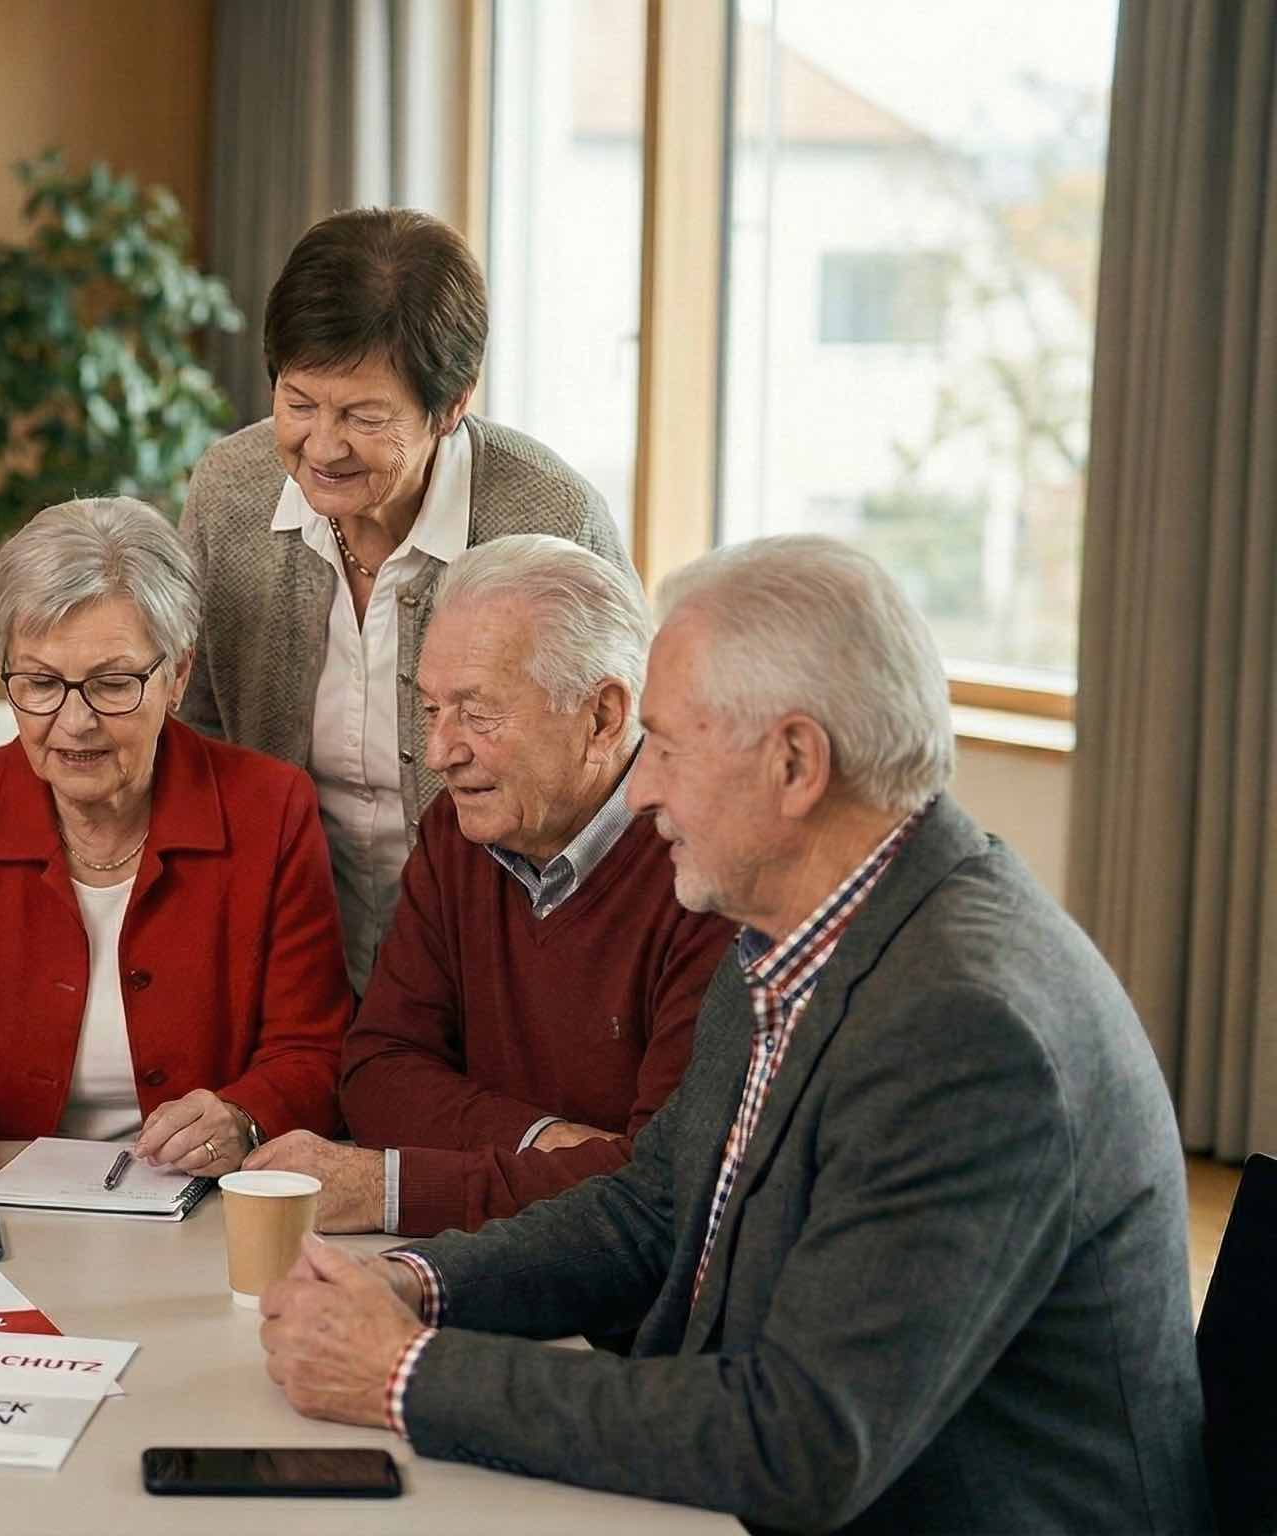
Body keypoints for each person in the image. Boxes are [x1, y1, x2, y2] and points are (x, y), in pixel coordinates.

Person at [255, 536, 1209, 1533]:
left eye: (666, 746)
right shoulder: (794, 928)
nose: (642, 789)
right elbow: (654, 1209)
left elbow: (798, 1441)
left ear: (793, 763)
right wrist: (418, 1283)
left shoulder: (964, 1028)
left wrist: (404, 1374)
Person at [178, 208, 627, 994]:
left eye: (364, 416)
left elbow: (620, 772)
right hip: (290, 965)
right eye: (299, 403)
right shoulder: (231, 492)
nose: (322, 446)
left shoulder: (551, 518)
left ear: (451, 404)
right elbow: (198, 730)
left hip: (504, 966)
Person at [245, 536, 729, 1236]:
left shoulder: (708, 872)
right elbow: (377, 1072)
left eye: (476, 713)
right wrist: (542, 1140)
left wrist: (394, 1187)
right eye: (431, 709)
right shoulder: (460, 830)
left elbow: (662, 1185)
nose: (440, 753)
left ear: (603, 717)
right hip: (492, 1261)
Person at [0, 498, 350, 1185]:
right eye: (39, 682)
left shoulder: (268, 809)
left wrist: (243, 1114)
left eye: (112, 683)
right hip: (1, 1193)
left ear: (177, 675)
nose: (75, 721)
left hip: (204, 1200)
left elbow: (313, 1049)